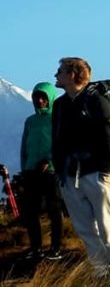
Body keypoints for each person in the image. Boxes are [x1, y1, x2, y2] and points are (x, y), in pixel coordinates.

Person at [51, 57, 110, 277]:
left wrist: (105, 170)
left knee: (108, 226)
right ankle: (101, 273)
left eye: (60, 71)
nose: (56, 75)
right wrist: (60, 172)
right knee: (85, 229)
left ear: (72, 75)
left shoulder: (96, 100)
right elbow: (57, 141)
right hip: (70, 175)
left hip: (96, 172)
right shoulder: (59, 105)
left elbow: (109, 137)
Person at [19, 82, 65, 260]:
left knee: (54, 210)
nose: (40, 101)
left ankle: (56, 248)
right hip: (31, 171)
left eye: (43, 97)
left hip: (51, 171)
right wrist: (24, 168)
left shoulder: (57, 119)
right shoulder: (30, 121)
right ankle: (35, 247)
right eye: (37, 97)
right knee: (30, 212)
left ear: (50, 98)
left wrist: (49, 160)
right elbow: (24, 146)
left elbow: (61, 144)